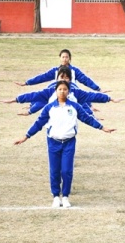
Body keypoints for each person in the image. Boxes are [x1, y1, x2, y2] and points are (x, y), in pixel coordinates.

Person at [14, 80, 115, 208]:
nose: (62, 91)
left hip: (69, 142)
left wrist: (102, 127)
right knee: (55, 170)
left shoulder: (74, 106)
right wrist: (25, 136)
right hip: (53, 142)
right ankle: (56, 196)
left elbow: (87, 118)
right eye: (60, 89)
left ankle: (65, 196)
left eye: (65, 89)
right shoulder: (49, 107)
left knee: (67, 170)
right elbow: (38, 123)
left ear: (68, 91)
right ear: (56, 91)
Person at [17, 49, 99, 91]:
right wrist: (27, 83)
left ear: (69, 58)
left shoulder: (75, 70)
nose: (65, 59)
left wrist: (97, 88)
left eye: (66, 57)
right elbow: (42, 77)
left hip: (72, 91)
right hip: (58, 92)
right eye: (63, 57)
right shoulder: (55, 70)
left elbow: (85, 80)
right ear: (60, 58)